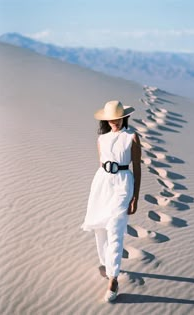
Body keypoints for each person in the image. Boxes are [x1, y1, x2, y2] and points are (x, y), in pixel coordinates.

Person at [81, 100, 141, 302]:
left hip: (123, 184)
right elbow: (102, 165)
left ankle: (113, 279)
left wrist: (136, 196)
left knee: (115, 228)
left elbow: (137, 169)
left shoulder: (132, 137)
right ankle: (107, 266)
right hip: (102, 184)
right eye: (111, 118)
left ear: (124, 117)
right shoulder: (102, 139)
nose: (114, 121)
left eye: (117, 117)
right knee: (100, 229)